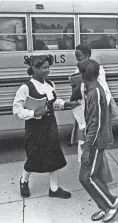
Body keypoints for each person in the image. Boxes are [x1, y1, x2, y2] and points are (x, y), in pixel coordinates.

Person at [13, 55, 79, 199]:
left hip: (50, 124)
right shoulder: (26, 88)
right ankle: (24, 180)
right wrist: (34, 112)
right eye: (44, 68)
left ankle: (54, 189)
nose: (48, 70)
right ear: (34, 69)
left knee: (53, 154)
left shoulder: (49, 84)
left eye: (49, 67)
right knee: (34, 155)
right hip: (34, 127)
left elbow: (53, 103)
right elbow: (16, 109)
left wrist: (66, 104)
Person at [78, 59, 118, 222]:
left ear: (84, 75)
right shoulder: (90, 90)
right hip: (95, 140)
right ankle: (106, 205)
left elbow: (95, 123)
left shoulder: (95, 92)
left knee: (86, 177)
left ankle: (112, 203)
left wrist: (87, 148)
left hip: (96, 141)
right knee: (94, 175)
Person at [70, 43, 118, 145]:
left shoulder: (95, 69)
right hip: (83, 106)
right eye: (76, 57)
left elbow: (102, 88)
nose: (77, 59)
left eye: (79, 56)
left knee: (93, 140)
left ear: (87, 54)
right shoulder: (80, 67)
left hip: (92, 106)